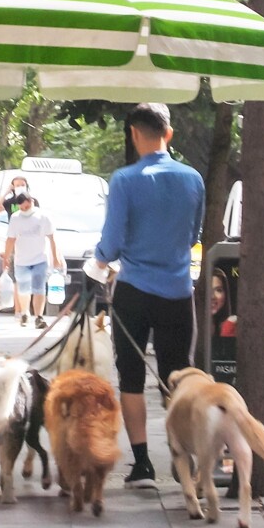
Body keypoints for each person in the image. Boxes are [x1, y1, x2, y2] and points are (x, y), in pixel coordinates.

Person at [93, 102, 205, 489]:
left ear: (134, 134)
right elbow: (192, 236)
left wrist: (99, 261)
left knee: (131, 376)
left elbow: (111, 244)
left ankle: (142, 465)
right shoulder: (193, 179)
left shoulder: (124, 180)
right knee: (178, 377)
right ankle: (181, 455)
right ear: (168, 134)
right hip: (178, 292)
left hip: (134, 291)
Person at [2, 191, 63, 329]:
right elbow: (10, 239)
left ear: (32, 202)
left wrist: (55, 257)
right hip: (21, 260)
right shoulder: (16, 218)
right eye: (22, 208)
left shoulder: (43, 217)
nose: (25, 210)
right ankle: (24, 312)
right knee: (23, 289)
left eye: (27, 207)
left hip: (40, 259)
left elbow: (52, 238)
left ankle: (39, 317)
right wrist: (6, 257)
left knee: (39, 288)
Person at [0, 176, 40, 320]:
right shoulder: (10, 202)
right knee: (16, 277)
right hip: (15, 243)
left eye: (22, 184)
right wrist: (6, 192)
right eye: (17, 185)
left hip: (30, 243)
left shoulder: (33, 202)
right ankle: (19, 311)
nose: (20, 187)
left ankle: (25, 309)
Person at [211, 267, 238, 348]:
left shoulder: (233, 324)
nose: (212, 296)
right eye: (208, 289)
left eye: (218, 290)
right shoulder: (190, 324)